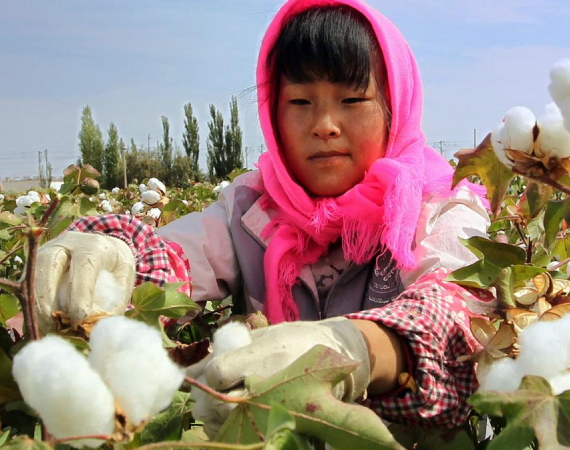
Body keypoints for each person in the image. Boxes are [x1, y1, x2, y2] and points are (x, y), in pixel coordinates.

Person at [34, 0, 491, 434]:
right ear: (273, 113)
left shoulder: (441, 206)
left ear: (394, 107)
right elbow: (176, 257)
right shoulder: (252, 207)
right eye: (299, 102)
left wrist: (355, 349)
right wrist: (115, 259)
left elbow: (458, 317)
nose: (325, 124)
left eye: (352, 100)